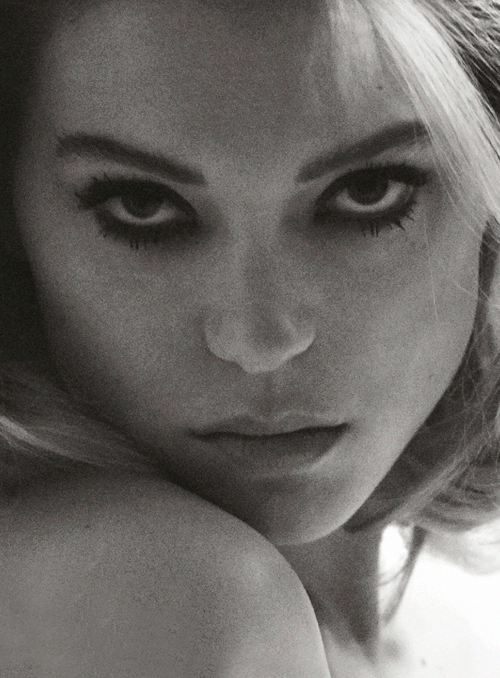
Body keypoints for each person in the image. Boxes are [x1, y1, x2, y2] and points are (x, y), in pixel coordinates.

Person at [1, 0, 500, 674]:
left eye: (368, 191)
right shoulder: (176, 609)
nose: (263, 341)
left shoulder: (445, 637)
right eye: (143, 206)